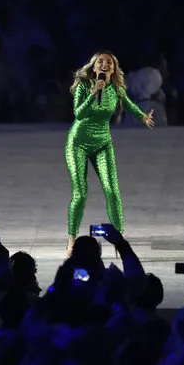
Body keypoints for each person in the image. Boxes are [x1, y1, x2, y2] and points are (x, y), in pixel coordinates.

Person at [65, 51, 154, 255]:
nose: (104, 65)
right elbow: (79, 113)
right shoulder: (83, 86)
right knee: (80, 194)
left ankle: (119, 239)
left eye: (109, 63)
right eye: (100, 62)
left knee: (112, 191)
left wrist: (142, 117)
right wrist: (94, 92)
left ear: (113, 69)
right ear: (94, 67)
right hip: (78, 143)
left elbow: (129, 105)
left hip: (103, 144)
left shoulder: (115, 88)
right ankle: (71, 238)